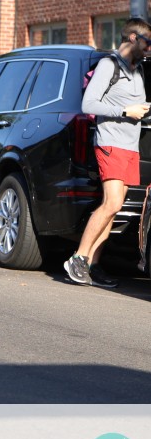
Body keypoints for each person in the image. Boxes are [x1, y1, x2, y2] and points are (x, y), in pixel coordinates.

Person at [64, 17, 151, 288]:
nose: (150, 48)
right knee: (111, 203)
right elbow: (88, 103)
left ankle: (92, 264)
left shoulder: (137, 70)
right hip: (110, 142)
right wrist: (125, 111)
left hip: (130, 145)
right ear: (133, 38)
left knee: (115, 208)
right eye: (148, 43)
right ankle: (78, 258)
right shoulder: (108, 65)